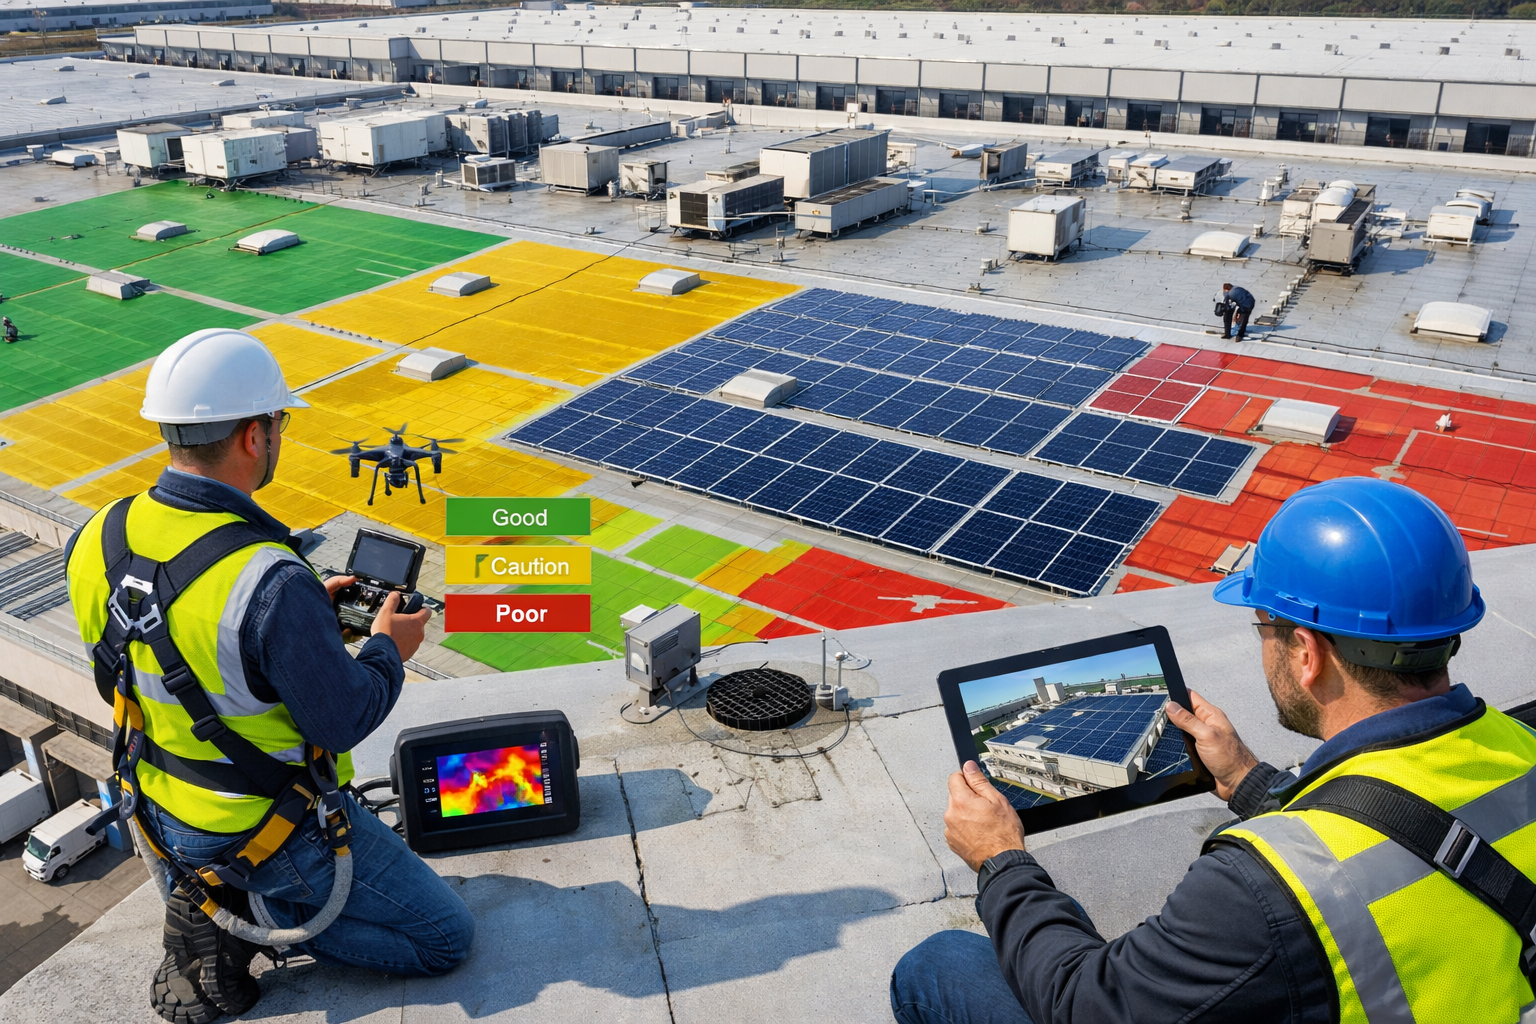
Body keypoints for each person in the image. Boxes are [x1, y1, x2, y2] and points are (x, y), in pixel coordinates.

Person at [891, 477, 1536, 1024]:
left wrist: (1000, 860)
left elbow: (1086, 1005)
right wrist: (1249, 781)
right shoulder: (1520, 750)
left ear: (1306, 654)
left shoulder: (1251, 889)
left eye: (1264, 628)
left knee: (939, 966)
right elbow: (1399, 826)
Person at [64, 329, 474, 1024]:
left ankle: (217, 899)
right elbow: (342, 719)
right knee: (444, 938)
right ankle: (245, 915)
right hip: (266, 826)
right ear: (255, 435)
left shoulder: (100, 533)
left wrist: (305, 629)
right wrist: (386, 650)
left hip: (159, 805)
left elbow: (142, 667)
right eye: (278, 421)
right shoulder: (270, 579)